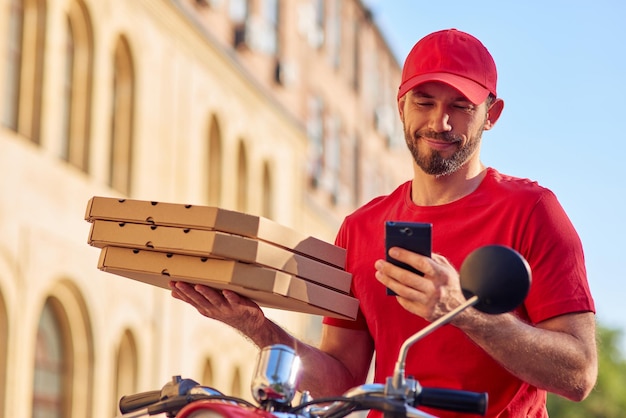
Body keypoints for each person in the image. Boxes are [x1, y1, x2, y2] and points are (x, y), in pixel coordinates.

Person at [170, 28, 597, 417]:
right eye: (424, 101)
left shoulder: (532, 211)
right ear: (400, 105)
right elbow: (341, 380)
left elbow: (579, 374)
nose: (439, 122)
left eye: (461, 106)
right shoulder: (361, 227)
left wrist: (464, 314)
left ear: (492, 113)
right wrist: (257, 326)